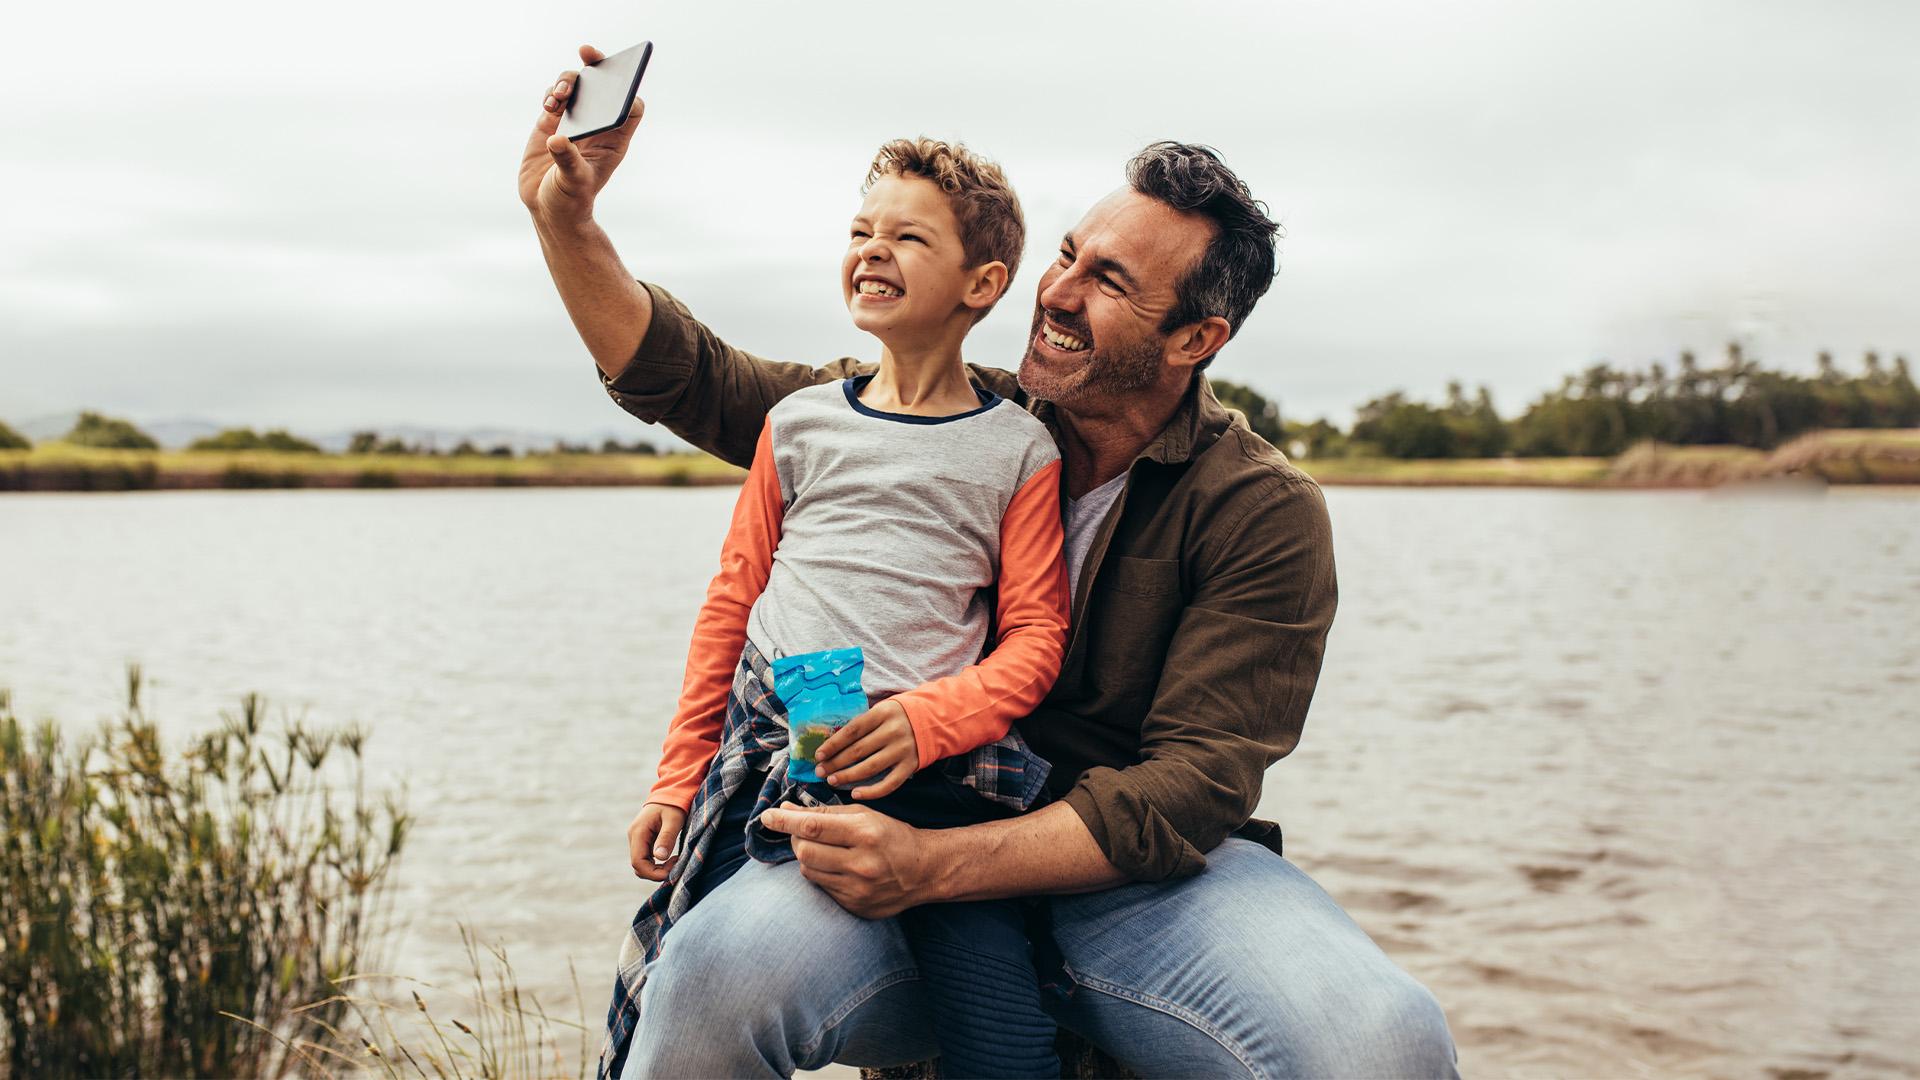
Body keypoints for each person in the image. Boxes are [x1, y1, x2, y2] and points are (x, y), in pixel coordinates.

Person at [522, 45, 1459, 1079]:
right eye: (1066, 253)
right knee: (710, 973)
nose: (1056, 291)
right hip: (895, 823)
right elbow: (691, 377)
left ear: (1197, 337)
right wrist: (567, 219)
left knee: (1384, 1043)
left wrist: (937, 865)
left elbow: (1194, 787)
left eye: (1108, 281)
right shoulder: (941, 413)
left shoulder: (1263, 510)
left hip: (1130, 887)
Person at [618, 134, 1073, 1080]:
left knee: (1008, 1046)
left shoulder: (1020, 449)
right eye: (860, 230)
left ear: (981, 284)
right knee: (681, 982)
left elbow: (1036, 638)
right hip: (774, 752)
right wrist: (676, 775)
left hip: (937, 780)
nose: (871, 250)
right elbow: (733, 603)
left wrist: (924, 721)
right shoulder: (800, 422)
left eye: (907, 237)